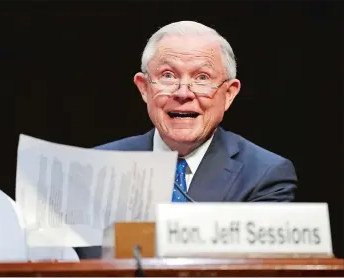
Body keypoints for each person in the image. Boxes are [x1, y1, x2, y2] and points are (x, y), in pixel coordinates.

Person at [75, 20, 298, 259]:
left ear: (229, 94)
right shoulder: (95, 166)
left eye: (202, 78)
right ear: (143, 88)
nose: (183, 93)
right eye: (168, 75)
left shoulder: (264, 175)